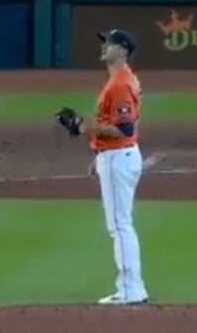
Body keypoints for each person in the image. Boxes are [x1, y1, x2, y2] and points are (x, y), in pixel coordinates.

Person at [54, 29, 149, 305]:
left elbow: (125, 129)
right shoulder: (123, 79)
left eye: (110, 43)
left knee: (120, 225)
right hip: (117, 155)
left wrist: (86, 127)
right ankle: (130, 287)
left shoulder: (120, 84)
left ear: (123, 50)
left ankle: (131, 289)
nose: (105, 46)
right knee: (120, 224)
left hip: (119, 156)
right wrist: (98, 154)